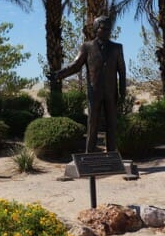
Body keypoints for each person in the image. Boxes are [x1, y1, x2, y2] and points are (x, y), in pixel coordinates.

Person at [50, 15, 126, 153]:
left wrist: (122, 92)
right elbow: (75, 65)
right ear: (96, 29)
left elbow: (122, 71)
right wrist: (59, 74)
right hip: (94, 92)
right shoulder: (87, 47)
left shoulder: (117, 48)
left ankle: (111, 155)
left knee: (112, 125)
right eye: (103, 28)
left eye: (109, 29)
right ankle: (89, 155)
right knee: (92, 124)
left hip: (111, 93)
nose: (107, 31)